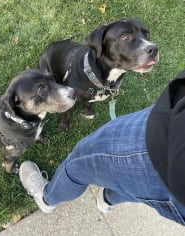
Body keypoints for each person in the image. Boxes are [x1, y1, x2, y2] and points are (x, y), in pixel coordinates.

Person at [19, 69, 185, 225]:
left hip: (169, 139)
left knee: (78, 165)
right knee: (146, 186)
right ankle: (107, 199)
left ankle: (47, 198)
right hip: (173, 123)